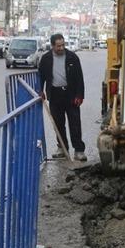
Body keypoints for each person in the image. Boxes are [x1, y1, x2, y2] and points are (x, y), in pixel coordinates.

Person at [38, 33, 86, 161]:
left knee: (75, 123)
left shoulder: (72, 57)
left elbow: (79, 78)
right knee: (58, 124)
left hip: (71, 95)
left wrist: (80, 95)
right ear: (52, 46)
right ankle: (62, 148)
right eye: (58, 46)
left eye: (63, 45)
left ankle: (79, 150)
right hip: (55, 95)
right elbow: (41, 76)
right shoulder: (46, 59)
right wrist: (40, 90)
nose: (61, 48)